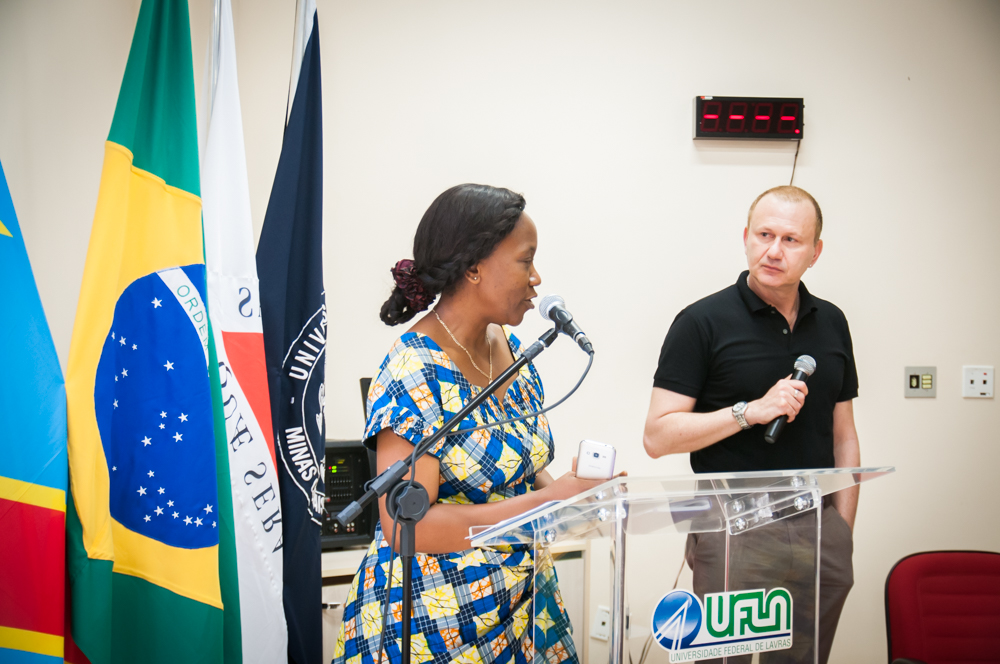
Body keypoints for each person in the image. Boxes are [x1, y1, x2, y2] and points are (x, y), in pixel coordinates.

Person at [333, 184, 607, 664]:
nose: (537, 277)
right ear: (474, 268)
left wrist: (574, 493)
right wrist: (545, 501)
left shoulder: (508, 349)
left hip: (523, 609)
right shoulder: (412, 370)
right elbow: (405, 527)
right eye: (526, 260)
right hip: (434, 625)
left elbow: (517, 476)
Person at [643, 185, 860, 664]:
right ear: (745, 237)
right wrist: (749, 412)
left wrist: (841, 527)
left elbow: (843, 433)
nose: (774, 250)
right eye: (764, 234)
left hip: (817, 525)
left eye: (791, 239)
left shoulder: (833, 323)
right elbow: (657, 436)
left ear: (815, 252)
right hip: (731, 525)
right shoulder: (702, 321)